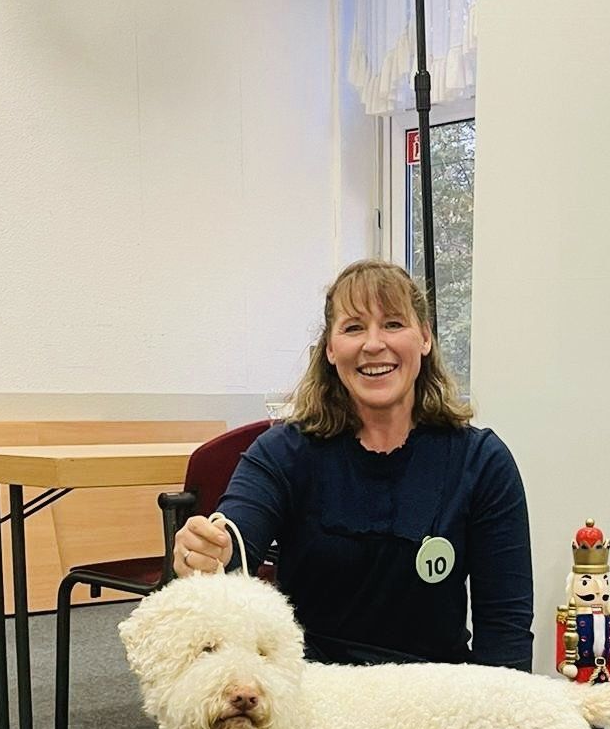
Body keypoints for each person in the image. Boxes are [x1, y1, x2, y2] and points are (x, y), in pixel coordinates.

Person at [171, 260, 534, 683]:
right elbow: (234, 544)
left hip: (436, 695)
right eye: (354, 327)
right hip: (313, 692)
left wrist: (504, 715)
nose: (374, 344)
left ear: (425, 338)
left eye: (393, 324)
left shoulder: (483, 462)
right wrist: (207, 553)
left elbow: (505, 631)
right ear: (330, 348)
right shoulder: (282, 452)